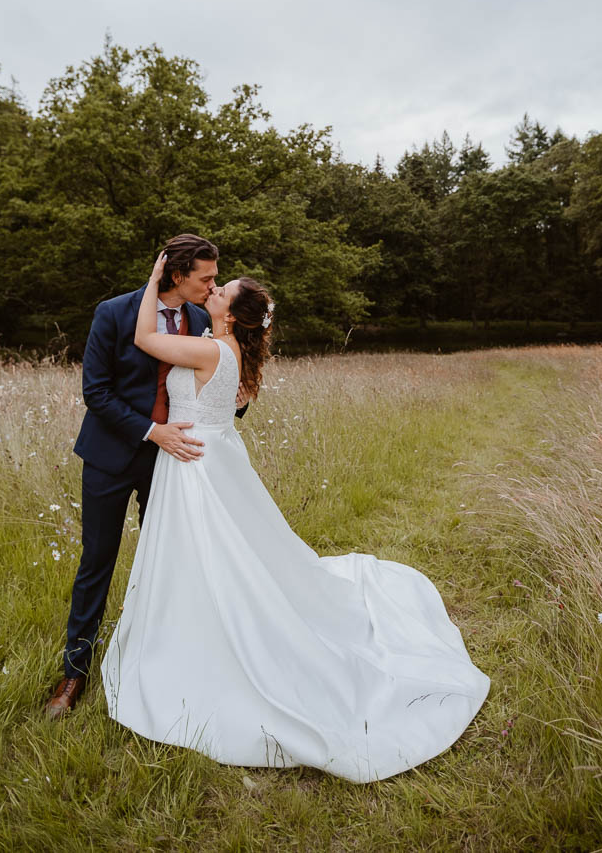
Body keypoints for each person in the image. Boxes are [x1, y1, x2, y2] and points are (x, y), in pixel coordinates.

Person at [97, 251, 489, 782]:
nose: (213, 291)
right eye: (212, 283)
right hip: (207, 458)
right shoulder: (224, 346)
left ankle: (208, 646)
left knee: (213, 555)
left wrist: (152, 277)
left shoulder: (212, 349)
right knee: (219, 555)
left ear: (230, 314)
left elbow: (145, 339)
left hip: (196, 465)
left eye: (222, 291)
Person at [46, 233, 222, 718]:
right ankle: (74, 674)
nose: (213, 285)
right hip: (110, 456)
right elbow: (95, 392)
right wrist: (152, 431)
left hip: (172, 463)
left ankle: (163, 661)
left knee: (168, 561)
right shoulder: (114, 313)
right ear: (177, 274)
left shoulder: (203, 318)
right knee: (97, 561)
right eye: (205, 277)